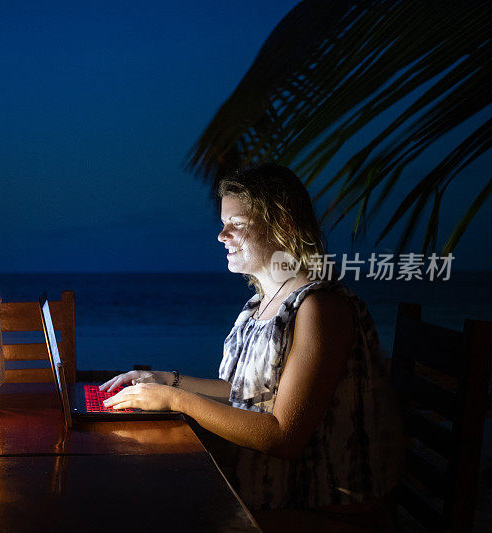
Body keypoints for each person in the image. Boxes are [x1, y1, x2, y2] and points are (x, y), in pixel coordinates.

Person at [100, 164, 402, 529]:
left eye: (237, 225)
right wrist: (166, 380)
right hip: (271, 489)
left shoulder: (320, 308)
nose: (222, 235)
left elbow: (282, 436)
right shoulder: (262, 304)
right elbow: (247, 394)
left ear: (284, 226)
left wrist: (177, 401)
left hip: (319, 506)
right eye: (224, 223)